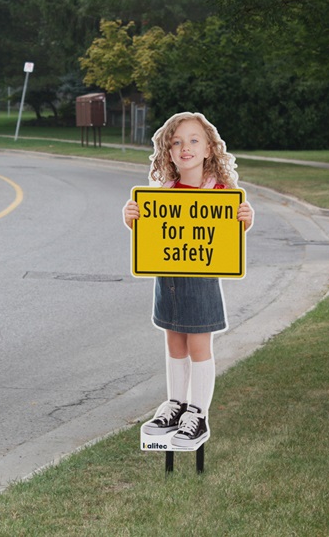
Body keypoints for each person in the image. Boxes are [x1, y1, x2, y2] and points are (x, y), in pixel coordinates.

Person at [123, 111, 254, 451]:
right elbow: (151, 238)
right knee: (174, 344)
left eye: (194, 140)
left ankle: (197, 413)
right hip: (167, 281)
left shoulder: (221, 193)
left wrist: (246, 219)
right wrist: (132, 219)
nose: (185, 148)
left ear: (210, 148)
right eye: (177, 142)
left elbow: (231, 236)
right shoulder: (162, 194)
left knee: (198, 347)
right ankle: (176, 405)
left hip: (201, 283)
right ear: (168, 152)